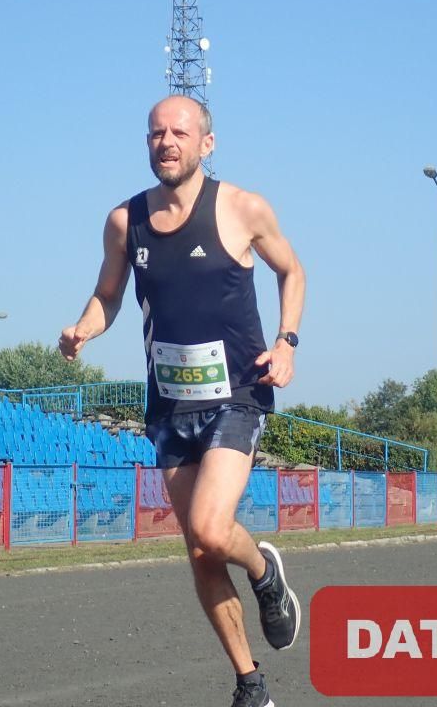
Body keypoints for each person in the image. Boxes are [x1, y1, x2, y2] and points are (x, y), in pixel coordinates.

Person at [59, 95, 306, 707]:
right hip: (169, 404)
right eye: (156, 133)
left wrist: (286, 342)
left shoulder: (243, 208)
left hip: (238, 392)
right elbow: (108, 295)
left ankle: (264, 572)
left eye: (179, 133)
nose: (166, 142)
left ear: (206, 143)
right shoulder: (125, 221)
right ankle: (251, 684)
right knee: (200, 552)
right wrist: (85, 327)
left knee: (210, 528)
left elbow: (292, 271)